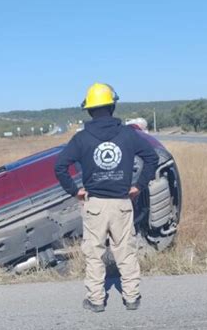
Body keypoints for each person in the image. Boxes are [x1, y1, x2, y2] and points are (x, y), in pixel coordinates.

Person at [54, 83, 158, 312]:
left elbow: (60, 166)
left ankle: (96, 300)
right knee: (126, 252)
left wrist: (74, 190)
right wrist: (139, 186)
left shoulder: (81, 139)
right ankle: (131, 298)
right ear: (112, 106)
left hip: (95, 206)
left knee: (94, 254)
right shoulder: (128, 134)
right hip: (122, 203)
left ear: (89, 110)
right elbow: (152, 158)